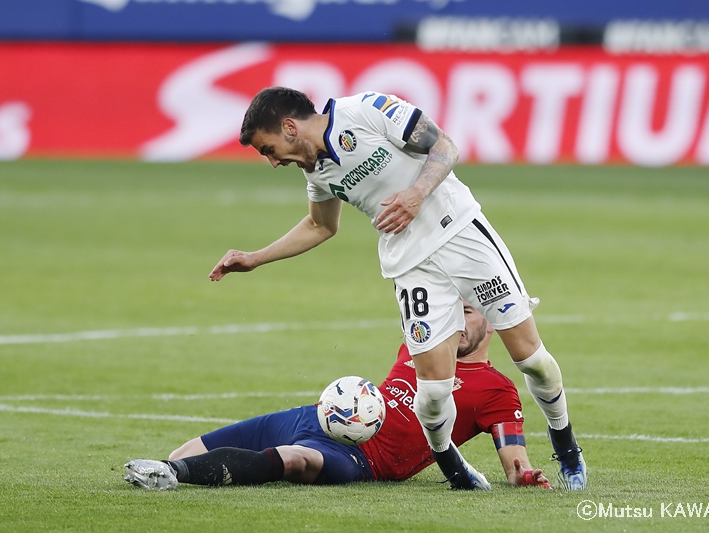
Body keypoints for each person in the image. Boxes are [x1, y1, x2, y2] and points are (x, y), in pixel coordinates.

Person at [207, 87, 586, 490]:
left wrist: (417, 194)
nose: (272, 162)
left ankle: (567, 448)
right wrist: (256, 257)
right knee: (434, 393)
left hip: (461, 234)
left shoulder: (365, 110)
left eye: (269, 149)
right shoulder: (317, 173)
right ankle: (455, 470)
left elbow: (444, 146)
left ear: (289, 127)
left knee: (532, 360)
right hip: (411, 265)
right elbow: (320, 225)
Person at [124, 304, 551, 490]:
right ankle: (168, 466)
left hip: (360, 458)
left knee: (294, 459)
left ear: (492, 322)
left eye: (467, 313)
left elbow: (514, 463)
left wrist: (525, 474)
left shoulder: (497, 390)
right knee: (185, 451)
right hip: (317, 417)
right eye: (450, 311)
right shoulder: (419, 345)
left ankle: (171, 475)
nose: (454, 322)